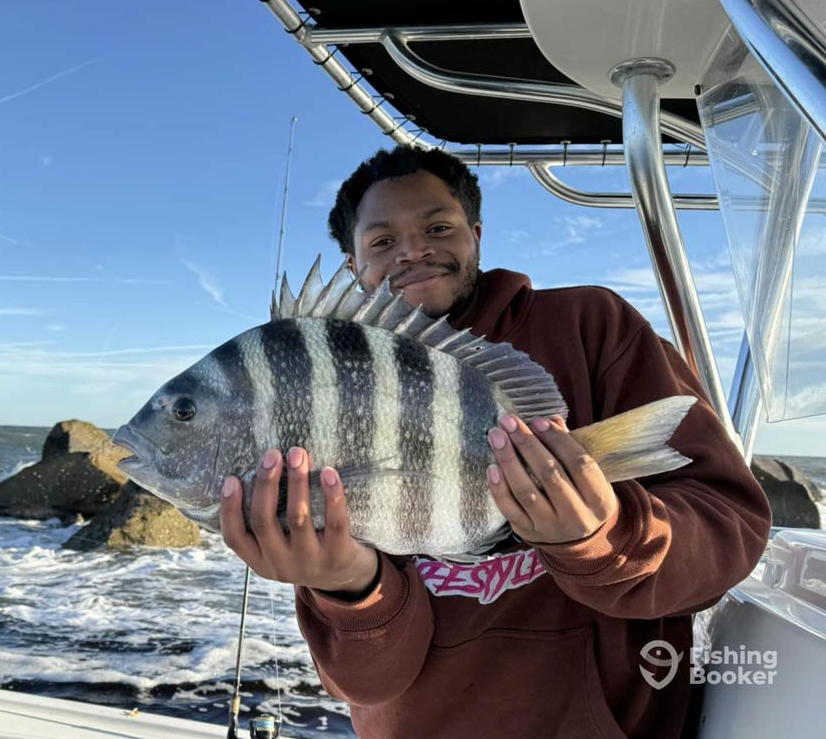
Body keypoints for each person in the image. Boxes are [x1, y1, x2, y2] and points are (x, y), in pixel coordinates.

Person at [218, 146, 772, 738]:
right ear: (354, 267)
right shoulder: (317, 384)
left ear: (475, 236)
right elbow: (368, 683)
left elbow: (728, 532)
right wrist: (348, 586)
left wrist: (603, 534)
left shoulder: (591, 327)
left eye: (437, 227)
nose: (412, 251)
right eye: (382, 242)